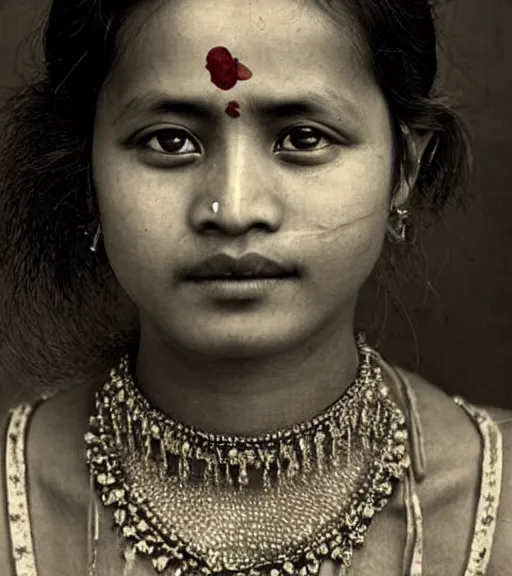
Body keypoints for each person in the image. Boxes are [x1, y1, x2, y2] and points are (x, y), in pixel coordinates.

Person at [0, 0, 510, 574]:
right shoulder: (11, 502)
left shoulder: (499, 503)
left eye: (302, 137)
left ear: (405, 169)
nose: (235, 210)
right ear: (86, 174)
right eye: (170, 141)